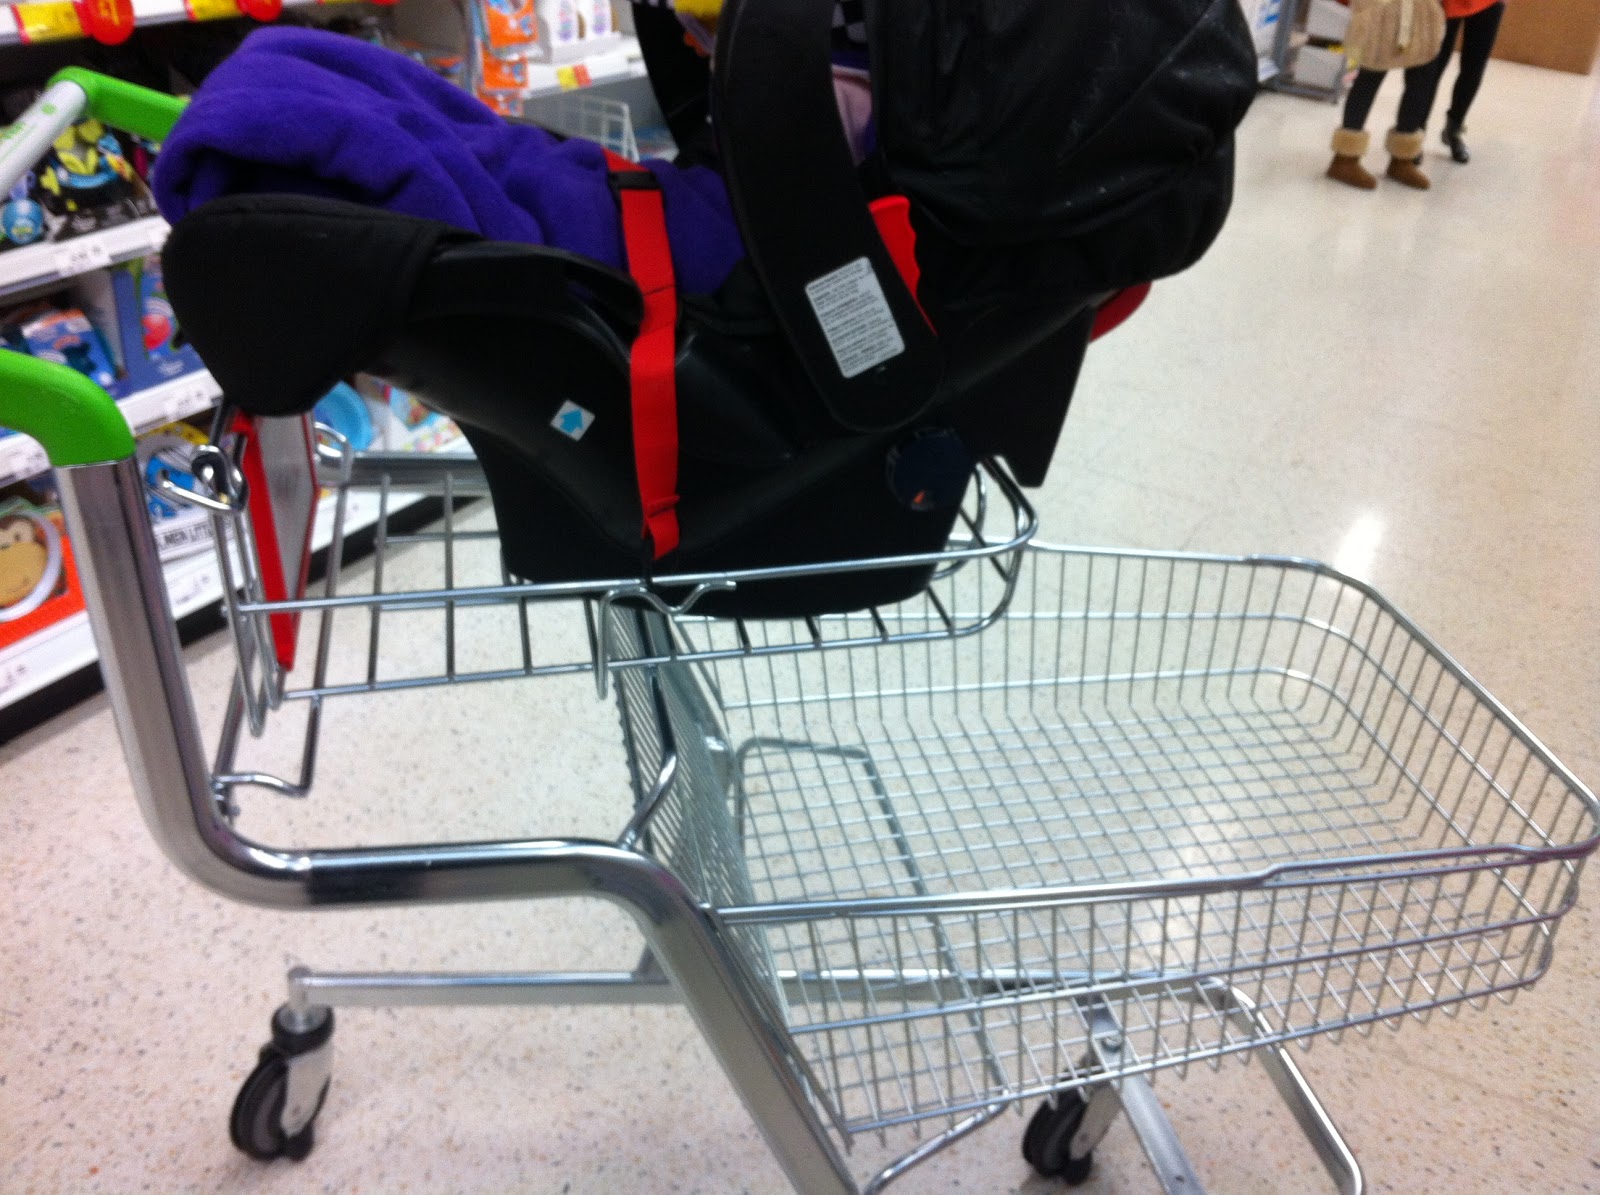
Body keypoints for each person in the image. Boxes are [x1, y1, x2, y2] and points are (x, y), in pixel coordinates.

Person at [1327, 1, 1507, 191]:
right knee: (1372, 71)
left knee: (1422, 77)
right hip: (1385, 6)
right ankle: (1344, 159)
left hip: (1424, 9)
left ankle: (1402, 159)